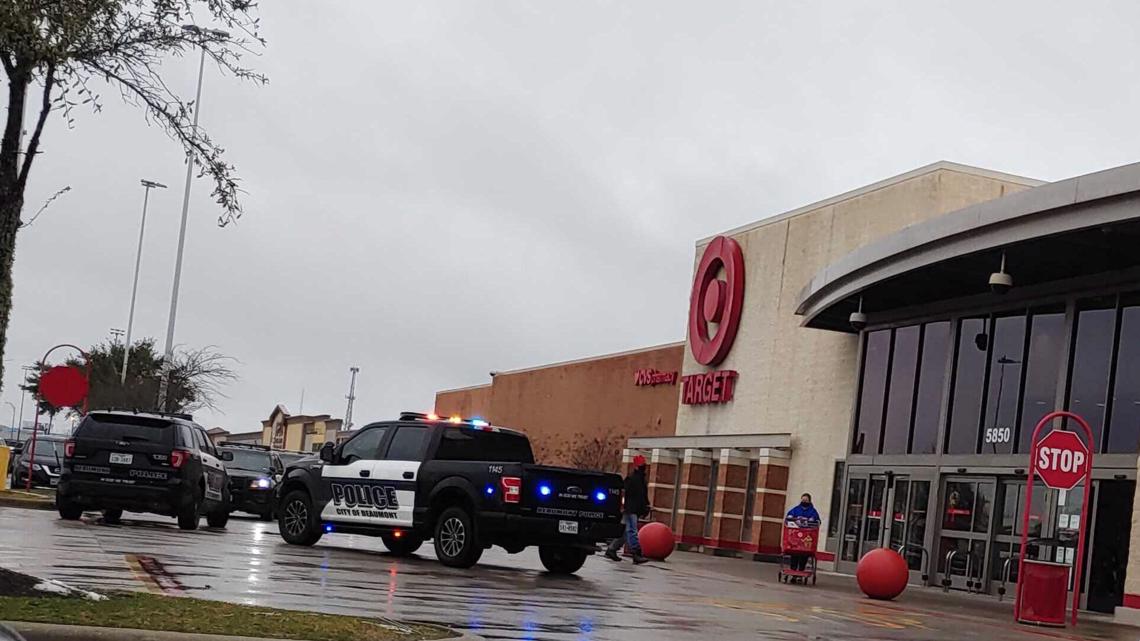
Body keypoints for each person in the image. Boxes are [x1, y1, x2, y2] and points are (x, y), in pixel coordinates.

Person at [605, 454, 650, 564]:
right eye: (641, 465)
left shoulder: (639, 480)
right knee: (631, 531)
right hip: (630, 510)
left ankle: (611, 549)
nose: (643, 467)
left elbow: (643, 496)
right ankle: (636, 553)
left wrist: (645, 507)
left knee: (626, 532)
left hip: (633, 509)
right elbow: (628, 495)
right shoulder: (633, 479)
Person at [785, 493, 821, 572]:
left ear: (809, 501)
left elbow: (817, 521)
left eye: (806, 500)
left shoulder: (813, 511)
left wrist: (812, 520)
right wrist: (791, 518)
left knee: (804, 554)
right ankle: (793, 569)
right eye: (803, 500)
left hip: (807, 537)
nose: (804, 501)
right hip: (796, 538)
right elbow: (789, 517)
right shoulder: (796, 509)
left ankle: (801, 569)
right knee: (794, 553)